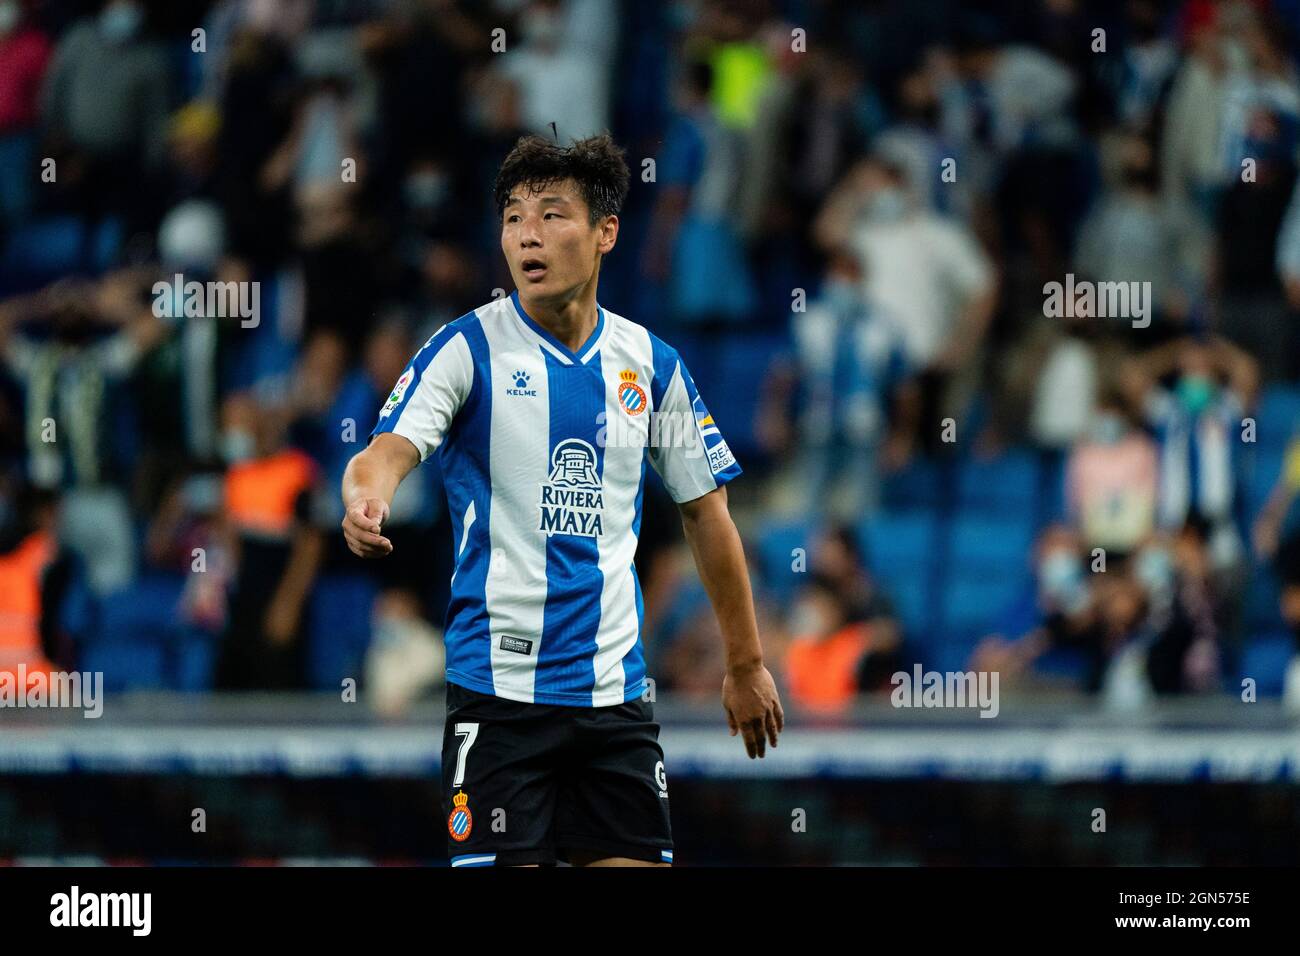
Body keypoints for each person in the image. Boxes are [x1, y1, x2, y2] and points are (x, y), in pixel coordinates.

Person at [340, 134, 783, 868]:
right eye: (513, 218)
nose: (527, 236)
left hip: (615, 703)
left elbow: (707, 515)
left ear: (606, 232)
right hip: (500, 699)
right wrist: (366, 499)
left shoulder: (651, 365)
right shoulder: (466, 349)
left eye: (551, 215)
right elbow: (385, 452)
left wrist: (745, 662)